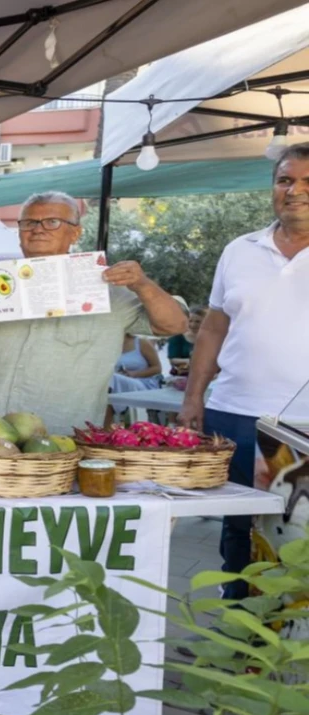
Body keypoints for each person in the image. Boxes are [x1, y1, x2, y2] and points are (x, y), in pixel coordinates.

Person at [0, 191, 186, 436]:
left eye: (52, 222)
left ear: (75, 232)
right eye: (29, 222)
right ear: (20, 233)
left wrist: (143, 284)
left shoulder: (106, 286)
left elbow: (173, 325)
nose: (38, 229)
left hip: (61, 436)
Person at [180, 143, 309, 600]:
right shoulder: (240, 249)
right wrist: (194, 397)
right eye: (285, 180)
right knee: (238, 529)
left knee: (299, 536)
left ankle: (288, 652)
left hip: (303, 427)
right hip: (234, 412)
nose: (294, 191)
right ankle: (237, 634)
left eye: (307, 182)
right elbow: (215, 326)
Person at [105, 333, 163, 424]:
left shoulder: (141, 342)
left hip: (143, 383)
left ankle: (106, 424)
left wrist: (134, 374)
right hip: (119, 382)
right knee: (108, 380)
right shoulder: (108, 345)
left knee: (113, 379)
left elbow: (157, 368)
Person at [167, 305, 207, 374]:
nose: (193, 325)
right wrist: (191, 361)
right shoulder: (177, 337)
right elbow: (172, 359)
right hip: (183, 375)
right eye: (190, 321)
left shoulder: (212, 339)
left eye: (198, 322)